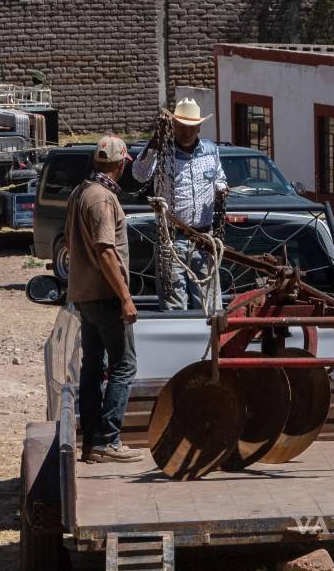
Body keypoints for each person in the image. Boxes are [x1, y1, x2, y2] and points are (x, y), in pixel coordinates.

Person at [65, 136, 142, 464]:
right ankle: (109, 439)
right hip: (105, 295)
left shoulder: (80, 192)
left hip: (84, 294)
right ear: (121, 164)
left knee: (93, 367)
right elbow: (105, 250)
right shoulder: (102, 198)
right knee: (124, 364)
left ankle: (91, 442)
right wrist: (125, 297)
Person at [133, 98, 227, 311]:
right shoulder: (162, 151)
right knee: (174, 304)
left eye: (191, 127)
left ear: (199, 127)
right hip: (172, 239)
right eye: (182, 127)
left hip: (204, 238)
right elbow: (139, 174)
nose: (186, 132)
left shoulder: (211, 150)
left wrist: (221, 190)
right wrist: (154, 141)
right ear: (174, 126)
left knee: (209, 303)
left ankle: (208, 333)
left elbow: (219, 178)